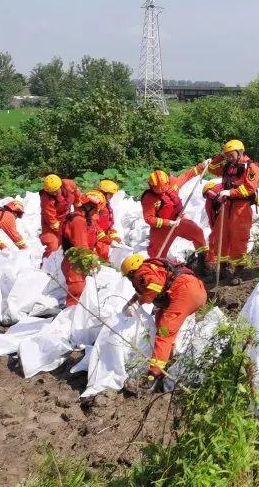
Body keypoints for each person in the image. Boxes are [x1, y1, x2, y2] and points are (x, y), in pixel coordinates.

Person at [120, 252, 207, 393]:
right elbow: (149, 285)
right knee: (160, 318)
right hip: (195, 289)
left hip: (184, 292)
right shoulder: (151, 268)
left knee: (164, 333)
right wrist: (132, 301)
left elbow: (154, 285)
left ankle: (152, 377)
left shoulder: (142, 272)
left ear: (131, 272)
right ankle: (167, 358)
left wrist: (139, 303)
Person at [207, 140, 259, 284]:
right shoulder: (228, 166)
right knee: (221, 236)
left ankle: (239, 270)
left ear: (240, 152)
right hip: (226, 205)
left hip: (241, 207)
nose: (229, 158)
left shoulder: (251, 167)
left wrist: (230, 192)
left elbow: (249, 188)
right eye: (227, 156)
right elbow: (212, 168)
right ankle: (223, 267)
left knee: (239, 238)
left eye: (231, 155)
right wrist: (220, 156)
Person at [140, 164, 209, 261]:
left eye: (164, 188)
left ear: (167, 182)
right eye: (158, 189)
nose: (161, 191)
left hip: (178, 221)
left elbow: (186, 176)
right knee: (157, 255)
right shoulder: (149, 198)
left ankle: (203, 259)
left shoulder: (173, 183)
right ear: (151, 186)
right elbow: (149, 219)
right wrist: (168, 223)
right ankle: (158, 272)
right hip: (161, 229)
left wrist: (201, 167)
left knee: (197, 232)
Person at [60, 191, 104, 307]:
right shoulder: (78, 221)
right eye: (96, 209)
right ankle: (70, 318)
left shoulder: (81, 218)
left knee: (80, 292)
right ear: (89, 206)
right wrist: (92, 262)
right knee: (76, 292)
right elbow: (81, 246)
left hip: (75, 261)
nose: (96, 212)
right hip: (75, 264)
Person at [38, 174, 79, 258]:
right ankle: (45, 264)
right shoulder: (46, 199)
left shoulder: (69, 184)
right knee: (53, 245)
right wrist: (63, 232)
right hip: (50, 225)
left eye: (56, 190)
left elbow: (76, 194)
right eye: (51, 192)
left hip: (66, 218)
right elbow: (51, 219)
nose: (54, 193)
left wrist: (77, 211)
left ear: (60, 185)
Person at [93, 179, 121, 261]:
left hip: (102, 240)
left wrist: (115, 237)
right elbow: (93, 225)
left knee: (103, 258)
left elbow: (109, 225)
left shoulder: (107, 207)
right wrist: (107, 240)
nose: (112, 197)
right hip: (94, 239)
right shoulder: (95, 206)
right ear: (103, 193)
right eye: (110, 194)